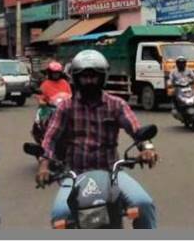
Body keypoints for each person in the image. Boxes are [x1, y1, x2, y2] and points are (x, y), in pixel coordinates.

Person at [38, 50, 159, 229]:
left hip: (111, 173)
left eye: (94, 77)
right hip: (75, 174)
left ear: (103, 78)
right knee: (60, 215)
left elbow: (137, 130)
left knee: (144, 204)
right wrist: (43, 166)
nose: (89, 81)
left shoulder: (116, 104)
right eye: (84, 77)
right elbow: (50, 138)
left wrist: (148, 148)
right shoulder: (65, 107)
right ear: (76, 79)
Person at [169, 56, 194, 127]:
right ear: (177, 64)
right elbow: (170, 79)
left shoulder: (189, 70)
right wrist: (170, 83)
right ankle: (176, 108)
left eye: (183, 63)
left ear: (185, 63)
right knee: (173, 95)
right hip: (178, 88)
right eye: (179, 63)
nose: (181, 65)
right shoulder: (173, 72)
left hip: (189, 87)